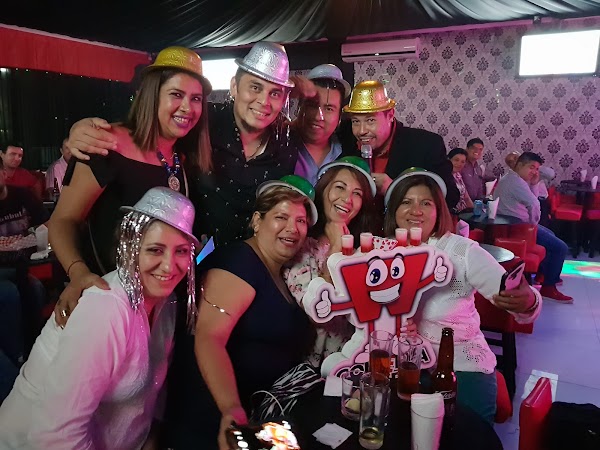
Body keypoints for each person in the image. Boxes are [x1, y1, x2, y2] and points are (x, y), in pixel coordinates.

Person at [0, 187, 199, 449]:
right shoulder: (107, 307)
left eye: (181, 251)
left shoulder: (167, 303)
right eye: (155, 250)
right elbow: (55, 437)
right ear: (130, 247)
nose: (169, 266)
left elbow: (152, 396)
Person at [65, 41, 313, 247]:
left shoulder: (287, 142)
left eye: (275, 93)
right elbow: (148, 124)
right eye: (255, 87)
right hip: (192, 263)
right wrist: (82, 130)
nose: (264, 101)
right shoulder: (202, 123)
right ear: (234, 87)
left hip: (251, 264)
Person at [49, 46, 212, 325]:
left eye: (195, 98)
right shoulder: (106, 144)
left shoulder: (183, 158)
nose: (187, 107)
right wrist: (78, 273)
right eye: (176, 94)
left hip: (158, 310)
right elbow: (63, 220)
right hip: (109, 304)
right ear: (152, 95)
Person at [164, 176, 317, 450]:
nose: (292, 228)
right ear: (257, 221)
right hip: (215, 424)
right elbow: (209, 338)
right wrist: (231, 410)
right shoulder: (239, 261)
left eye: (301, 221)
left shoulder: (283, 272)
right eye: (281, 217)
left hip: (262, 418)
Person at [383, 168, 542, 424]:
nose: (416, 210)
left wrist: (528, 301)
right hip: (402, 365)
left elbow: (516, 299)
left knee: (466, 435)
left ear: (439, 211)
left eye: (426, 203)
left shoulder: (461, 250)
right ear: (394, 211)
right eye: (406, 202)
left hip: (461, 364)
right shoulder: (382, 253)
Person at [285, 156, 376, 368]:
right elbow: (317, 312)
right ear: (324, 189)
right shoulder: (299, 246)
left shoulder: (365, 252)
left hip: (354, 364)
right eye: (340, 187)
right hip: (309, 368)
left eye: (357, 193)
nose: (347, 199)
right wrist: (336, 248)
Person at [337, 80, 459, 210]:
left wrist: (395, 189)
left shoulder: (426, 145)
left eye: (370, 120)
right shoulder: (348, 144)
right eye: (355, 121)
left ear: (390, 115)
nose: (361, 131)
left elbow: (450, 198)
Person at [494, 152, 572, 302]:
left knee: (551, 235)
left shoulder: (516, 179)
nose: (535, 172)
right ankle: (549, 287)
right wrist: (533, 226)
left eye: (537, 169)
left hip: (518, 223)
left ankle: (546, 274)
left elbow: (533, 199)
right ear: (520, 165)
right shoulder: (514, 182)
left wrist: (535, 183)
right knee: (561, 247)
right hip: (517, 227)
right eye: (531, 167)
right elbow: (534, 204)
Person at [0, 157, 48, 366]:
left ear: (3, 174)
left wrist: (27, 239)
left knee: (35, 289)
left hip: (24, 265)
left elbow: (47, 226)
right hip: (5, 272)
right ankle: (17, 356)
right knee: (11, 292)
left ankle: (34, 348)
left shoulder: (22, 196)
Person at [293, 64, 351, 185]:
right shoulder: (280, 145)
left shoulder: (348, 151)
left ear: (340, 115)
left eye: (329, 109)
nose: (318, 117)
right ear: (300, 107)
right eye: (312, 106)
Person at [448, 147, 473, 213]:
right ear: (449, 159)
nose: (459, 164)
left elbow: (466, 198)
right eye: (456, 160)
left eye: (462, 162)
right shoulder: (444, 177)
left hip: (464, 212)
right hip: (453, 213)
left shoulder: (458, 175)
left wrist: (474, 212)